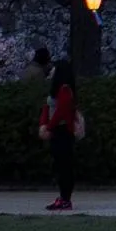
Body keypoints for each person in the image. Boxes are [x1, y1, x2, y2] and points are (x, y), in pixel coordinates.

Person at [39, 64, 81, 211]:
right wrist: (44, 124)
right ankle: (63, 197)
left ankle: (65, 198)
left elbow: (61, 111)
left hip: (62, 131)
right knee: (60, 165)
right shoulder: (59, 90)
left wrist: (49, 126)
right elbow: (48, 108)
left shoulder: (64, 89)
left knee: (64, 165)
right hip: (58, 130)